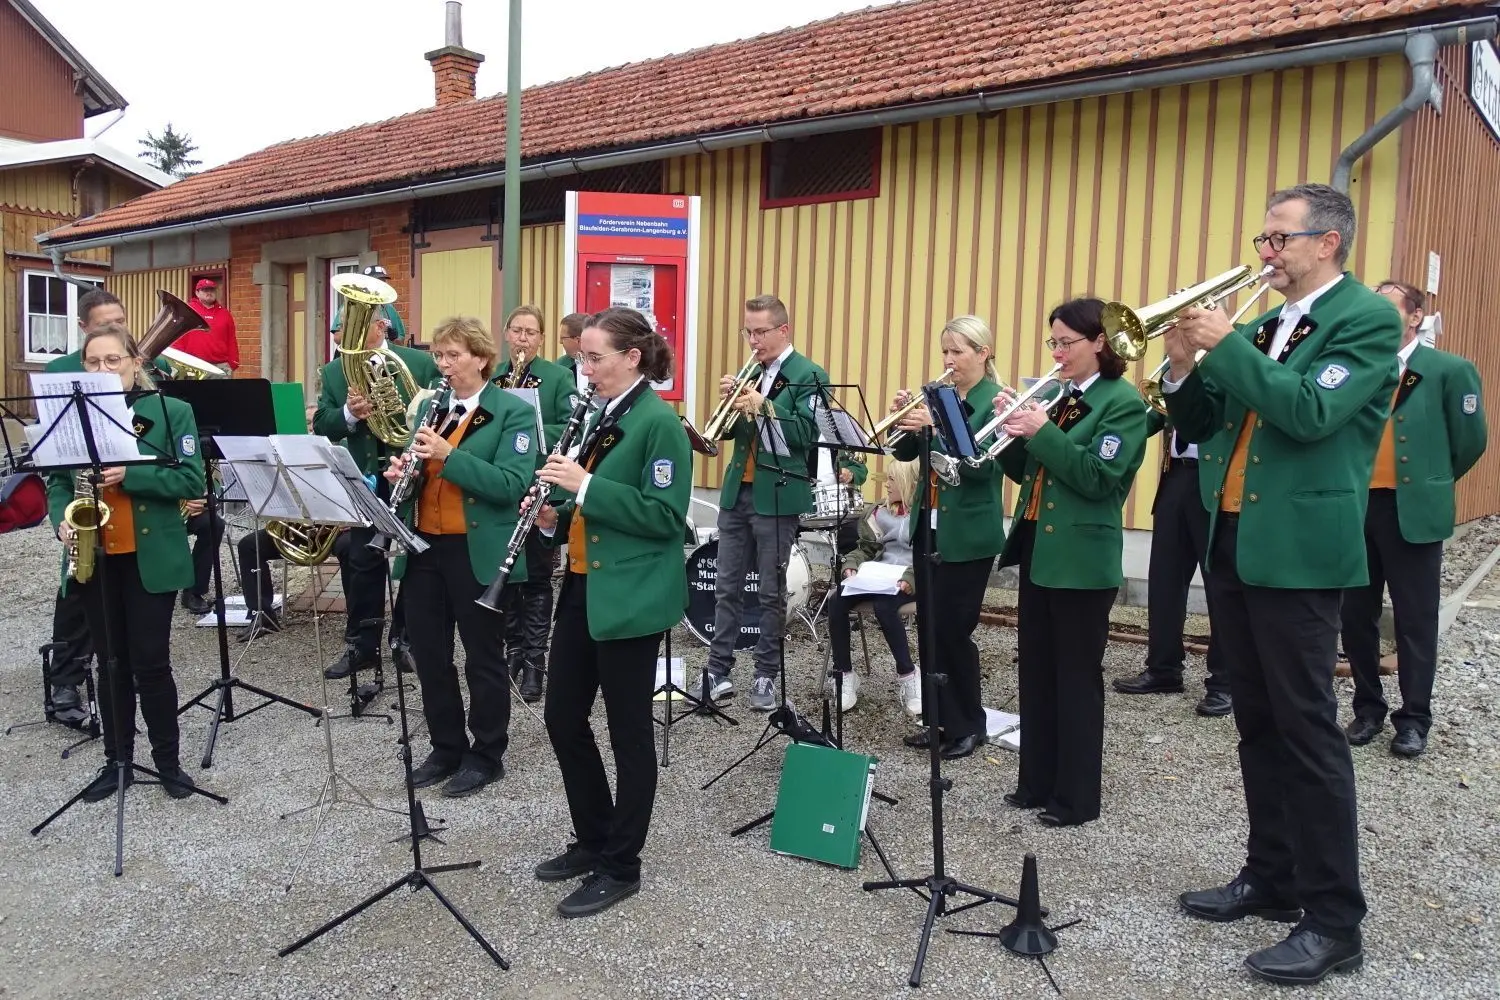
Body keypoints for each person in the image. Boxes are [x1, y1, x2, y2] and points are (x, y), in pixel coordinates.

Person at [1164, 183, 1400, 985]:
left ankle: (1335, 920)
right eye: (1265, 238)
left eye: (1279, 238)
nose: (1265, 252)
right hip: (1235, 545)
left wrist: (1227, 346)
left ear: (1327, 243)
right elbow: (1201, 426)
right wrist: (1183, 362)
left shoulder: (1364, 321)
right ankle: (1273, 875)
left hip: (1298, 553)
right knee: (1258, 725)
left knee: (1309, 732)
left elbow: (1306, 413)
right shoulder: (1267, 324)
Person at [529, 307, 690, 918]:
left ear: (632, 357)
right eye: (582, 358)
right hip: (583, 586)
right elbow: (586, 508)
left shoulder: (659, 423)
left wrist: (585, 487)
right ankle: (593, 837)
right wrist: (555, 516)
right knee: (562, 717)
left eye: (595, 357)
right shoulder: (602, 415)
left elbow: (664, 517)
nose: (585, 368)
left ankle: (622, 863)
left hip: (632, 597)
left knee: (628, 734)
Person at [997, 298, 1147, 825]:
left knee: (1076, 677)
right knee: (1037, 671)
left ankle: (1076, 798)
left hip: (1082, 555)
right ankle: (1036, 781)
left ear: (1099, 343)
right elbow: (1033, 471)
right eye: (1052, 343)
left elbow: (1095, 478)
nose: (1057, 353)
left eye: (1067, 343)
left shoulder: (1122, 403)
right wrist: (1012, 433)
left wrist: (1042, 432)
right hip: (1041, 545)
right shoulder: (1063, 399)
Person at [46, 323, 207, 801]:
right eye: (93, 362)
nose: (102, 370)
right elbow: (56, 481)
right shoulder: (73, 416)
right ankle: (117, 761)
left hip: (149, 557)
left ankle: (168, 764)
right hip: (95, 556)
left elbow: (191, 479)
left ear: (135, 363)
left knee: (151, 664)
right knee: (109, 662)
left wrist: (130, 475)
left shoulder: (171, 411)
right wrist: (61, 520)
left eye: (112, 360)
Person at [385, 316, 537, 797]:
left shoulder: (510, 412)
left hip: (476, 550)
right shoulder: (434, 407)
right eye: (439, 356)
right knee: (430, 654)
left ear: (480, 358)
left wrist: (450, 456)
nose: (444, 365)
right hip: (425, 546)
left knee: (482, 657)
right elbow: (422, 471)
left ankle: (487, 753)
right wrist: (402, 475)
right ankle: (445, 746)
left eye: (453, 356)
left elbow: (511, 486)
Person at [1342, 279, 1487, 759]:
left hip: (1412, 512)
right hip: (1357, 508)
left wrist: (1430, 482)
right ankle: (1367, 708)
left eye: (1389, 308)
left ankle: (1414, 718)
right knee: (1355, 614)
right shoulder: (1359, 368)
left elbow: (1468, 442)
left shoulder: (1449, 369)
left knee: (1415, 618)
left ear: (1414, 317)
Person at [699, 294, 829, 711]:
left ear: (783, 330)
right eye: (748, 332)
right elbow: (734, 434)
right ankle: (717, 670)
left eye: (760, 332)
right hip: (739, 490)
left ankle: (765, 675)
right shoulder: (749, 370)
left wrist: (764, 405)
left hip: (778, 495)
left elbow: (808, 436)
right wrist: (731, 403)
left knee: (772, 592)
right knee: (726, 585)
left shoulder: (809, 374)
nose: (752, 341)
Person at [889, 315, 1006, 759]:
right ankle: (939, 720)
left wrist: (935, 430)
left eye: (958, 351)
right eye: (946, 351)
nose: (949, 360)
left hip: (968, 531)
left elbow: (986, 468)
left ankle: (968, 724)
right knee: (929, 627)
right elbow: (904, 453)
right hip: (929, 522)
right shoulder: (940, 395)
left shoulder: (995, 401)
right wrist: (906, 420)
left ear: (983, 353)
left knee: (955, 631)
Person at [313, 308, 439, 683]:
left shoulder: (417, 361)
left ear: (382, 325)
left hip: (412, 472)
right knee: (362, 557)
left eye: (360, 323)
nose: (348, 332)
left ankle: (406, 637)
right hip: (367, 476)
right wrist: (349, 416)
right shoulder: (334, 371)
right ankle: (361, 645)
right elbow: (322, 423)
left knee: (418, 558)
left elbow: (439, 410)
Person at [40, 288, 134, 724]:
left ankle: (122, 676)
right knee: (76, 588)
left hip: (134, 506)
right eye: (102, 324)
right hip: (86, 499)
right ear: (83, 330)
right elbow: (55, 464)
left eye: (120, 320)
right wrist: (64, 514)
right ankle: (65, 679)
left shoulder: (138, 363)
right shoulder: (61, 371)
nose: (115, 329)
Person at [1112, 408, 1231, 716]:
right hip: (1176, 473)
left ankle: (1225, 682)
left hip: (1219, 478)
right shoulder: (1175, 372)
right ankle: (1163, 669)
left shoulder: (1226, 361)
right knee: (1164, 580)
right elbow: (1147, 421)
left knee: (1221, 588)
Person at [493, 305, 576, 702]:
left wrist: (530, 424)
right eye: (517, 331)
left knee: (539, 578)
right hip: (503, 490)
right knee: (506, 577)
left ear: (541, 339)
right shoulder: (492, 378)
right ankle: (513, 652)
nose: (523, 338)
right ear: (507, 334)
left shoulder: (559, 377)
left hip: (542, 486)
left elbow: (575, 425)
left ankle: (535, 666)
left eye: (531, 332)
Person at [823, 459, 921, 715]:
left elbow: (929, 556)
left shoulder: (926, 514)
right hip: (878, 575)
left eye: (891, 480)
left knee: (884, 606)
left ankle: (908, 674)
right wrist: (852, 564)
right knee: (836, 599)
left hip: (910, 578)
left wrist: (910, 578)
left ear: (909, 483)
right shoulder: (878, 512)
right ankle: (844, 674)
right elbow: (865, 547)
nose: (886, 485)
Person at [174, 277, 239, 376]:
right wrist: (179, 362)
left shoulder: (225, 313)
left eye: (211, 289)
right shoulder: (187, 311)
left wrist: (233, 362)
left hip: (221, 366)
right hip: (193, 365)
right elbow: (177, 338)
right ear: (197, 293)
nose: (209, 292)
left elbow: (231, 339)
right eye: (205, 290)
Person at [180, 495, 225, 615]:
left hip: (189, 509)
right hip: (156, 508)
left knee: (214, 525)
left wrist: (205, 502)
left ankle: (193, 591)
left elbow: (213, 481)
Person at [556, 312, 588, 394]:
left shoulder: (605, 363)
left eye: (563, 338)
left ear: (578, 340)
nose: (560, 342)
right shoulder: (560, 365)